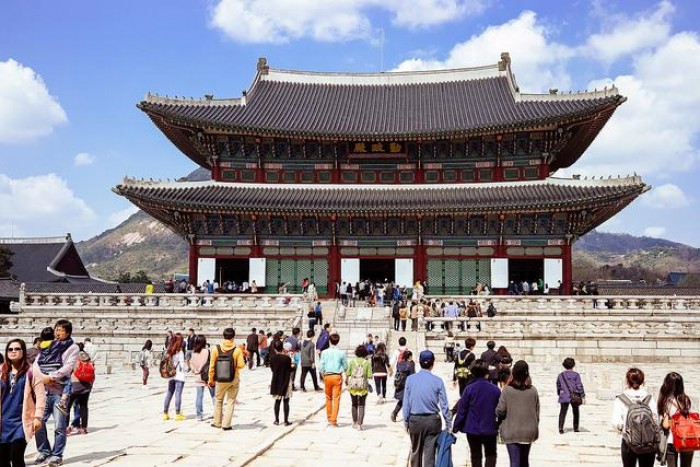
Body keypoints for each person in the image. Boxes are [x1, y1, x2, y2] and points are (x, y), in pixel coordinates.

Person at [35, 319, 80, 467]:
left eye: (61, 330)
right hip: (43, 391)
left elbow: (68, 368)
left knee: (59, 426)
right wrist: (40, 377)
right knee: (38, 423)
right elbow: (37, 362)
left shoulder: (72, 348)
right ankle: (44, 451)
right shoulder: (49, 344)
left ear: (68, 332)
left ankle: (57, 454)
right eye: (56, 329)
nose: (57, 332)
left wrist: (51, 377)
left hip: (60, 393)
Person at [0, 339, 46, 467]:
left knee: (16, 456)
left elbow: (41, 396)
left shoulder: (31, 371)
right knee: (2, 459)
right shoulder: (1, 370)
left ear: (23, 351)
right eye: (10, 349)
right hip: (3, 422)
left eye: (17, 349)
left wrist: (38, 417)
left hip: (21, 422)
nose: (13, 352)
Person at [402, 350, 452, 467]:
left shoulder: (410, 379)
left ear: (419, 362)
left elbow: (406, 403)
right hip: (432, 421)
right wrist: (448, 424)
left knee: (415, 451)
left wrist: (405, 421)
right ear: (432, 363)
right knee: (430, 453)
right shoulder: (438, 381)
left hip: (415, 420)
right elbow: (444, 405)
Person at [453, 360, 501, 467]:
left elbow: (462, 409)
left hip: (472, 428)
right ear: (486, 374)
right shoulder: (496, 390)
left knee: (475, 455)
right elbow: (500, 410)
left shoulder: (469, 389)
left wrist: (456, 425)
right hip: (490, 428)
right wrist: (499, 425)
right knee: (491, 454)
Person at [611, 367, 658, 467]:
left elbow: (616, 423)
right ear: (642, 381)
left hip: (629, 442)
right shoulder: (649, 398)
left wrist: (622, 429)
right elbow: (655, 419)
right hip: (648, 443)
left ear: (627, 381)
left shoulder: (621, 399)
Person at [496, 360, 540, 467]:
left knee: (514, 462)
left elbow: (500, 411)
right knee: (524, 461)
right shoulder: (533, 390)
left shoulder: (507, 390)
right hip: (529, 431)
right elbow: (537, 411)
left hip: (512, 430)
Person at [208, 328, 245, 431]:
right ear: (233, 337)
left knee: (218, 400)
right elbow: (241, 365)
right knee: (231, 401)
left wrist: (211, 379)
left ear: (223, 336)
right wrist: (234, 368)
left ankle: (217, 422)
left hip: (220, 379)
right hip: (233, 379)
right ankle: (226, 424)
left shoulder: (216, 349)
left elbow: (212, 366)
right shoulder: (237, 350)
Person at [657, 372, 694, 467]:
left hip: (672, 440)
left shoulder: (665, 401)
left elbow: (665, 425)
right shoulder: (686, 399)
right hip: (688, 439)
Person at [318, 333, 348, 427]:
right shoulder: (341, 353)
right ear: (338, 341)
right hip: (337, 376)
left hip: (327, 376)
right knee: (336, 399)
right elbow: (346, 366)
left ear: (329, 341)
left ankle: (329, 417)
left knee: (328, 397)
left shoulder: (324, 352)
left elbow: (321, 366)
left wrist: (323, 375)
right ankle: (334, 421)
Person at [65, 352, 93, 435]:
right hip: (86, 388)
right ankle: (84, 428)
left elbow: (67, 373)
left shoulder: (74, 362)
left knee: (67, 407)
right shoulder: (90, 363)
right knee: (84, 407)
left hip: (75, 387)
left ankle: (66, 427)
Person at [346, 345, 373, 430]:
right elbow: (370, 376)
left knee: (354, 404)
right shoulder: (367, 363)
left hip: (353, 387)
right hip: (363, 387)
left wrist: (346, 381)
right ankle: (360, 424)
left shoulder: (352, 362)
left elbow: (348, 373)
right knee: (361, 405)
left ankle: (354, 422)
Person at [556, 357, 585, 434]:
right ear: (573, 365)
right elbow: (579, 385)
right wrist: (582, 396)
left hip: (564, 395)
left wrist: (559, 393)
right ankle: (576, 428)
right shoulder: (576, 375)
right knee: (575, 411)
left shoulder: (560, 375)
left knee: (562, 412)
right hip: (574, 396)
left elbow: (558, 385)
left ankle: (560, 428)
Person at [162, 334, 186, 421]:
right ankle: (178, 414)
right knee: (178, 394)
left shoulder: (168, 351)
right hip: (179, 375)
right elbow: (182, 366)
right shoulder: (180, 352)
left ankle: (165, 413)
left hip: (170, 375)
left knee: (169, 393)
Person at [269, 340, 293, 426]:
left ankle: (276, 420)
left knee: (277, 401)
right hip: (286, 380)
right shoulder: (287, 358)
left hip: (276, 381)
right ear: (282, 348)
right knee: (286, 401)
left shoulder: (272, 359)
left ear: (275, 349)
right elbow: (291, 370)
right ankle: (286, 421)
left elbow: (272, 369)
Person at [191, 335, 215, 421]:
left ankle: (199, 415)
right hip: (207, 375)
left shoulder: (194, 352)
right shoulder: (207, 351)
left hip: (197, 376)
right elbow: (209, 362)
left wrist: (196, 370)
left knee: (199, 396)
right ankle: (217, 412)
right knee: (213, 394)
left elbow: (192, 364)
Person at [390, 350, 415, 422]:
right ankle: (408, 416)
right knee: (409, 401)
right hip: (407, 384)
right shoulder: (411, 364)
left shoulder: (399, 363)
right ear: (410, 356)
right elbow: (412, 374)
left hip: (400, 384)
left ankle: (395, 412)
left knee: (402, 400)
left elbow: (397, 372)